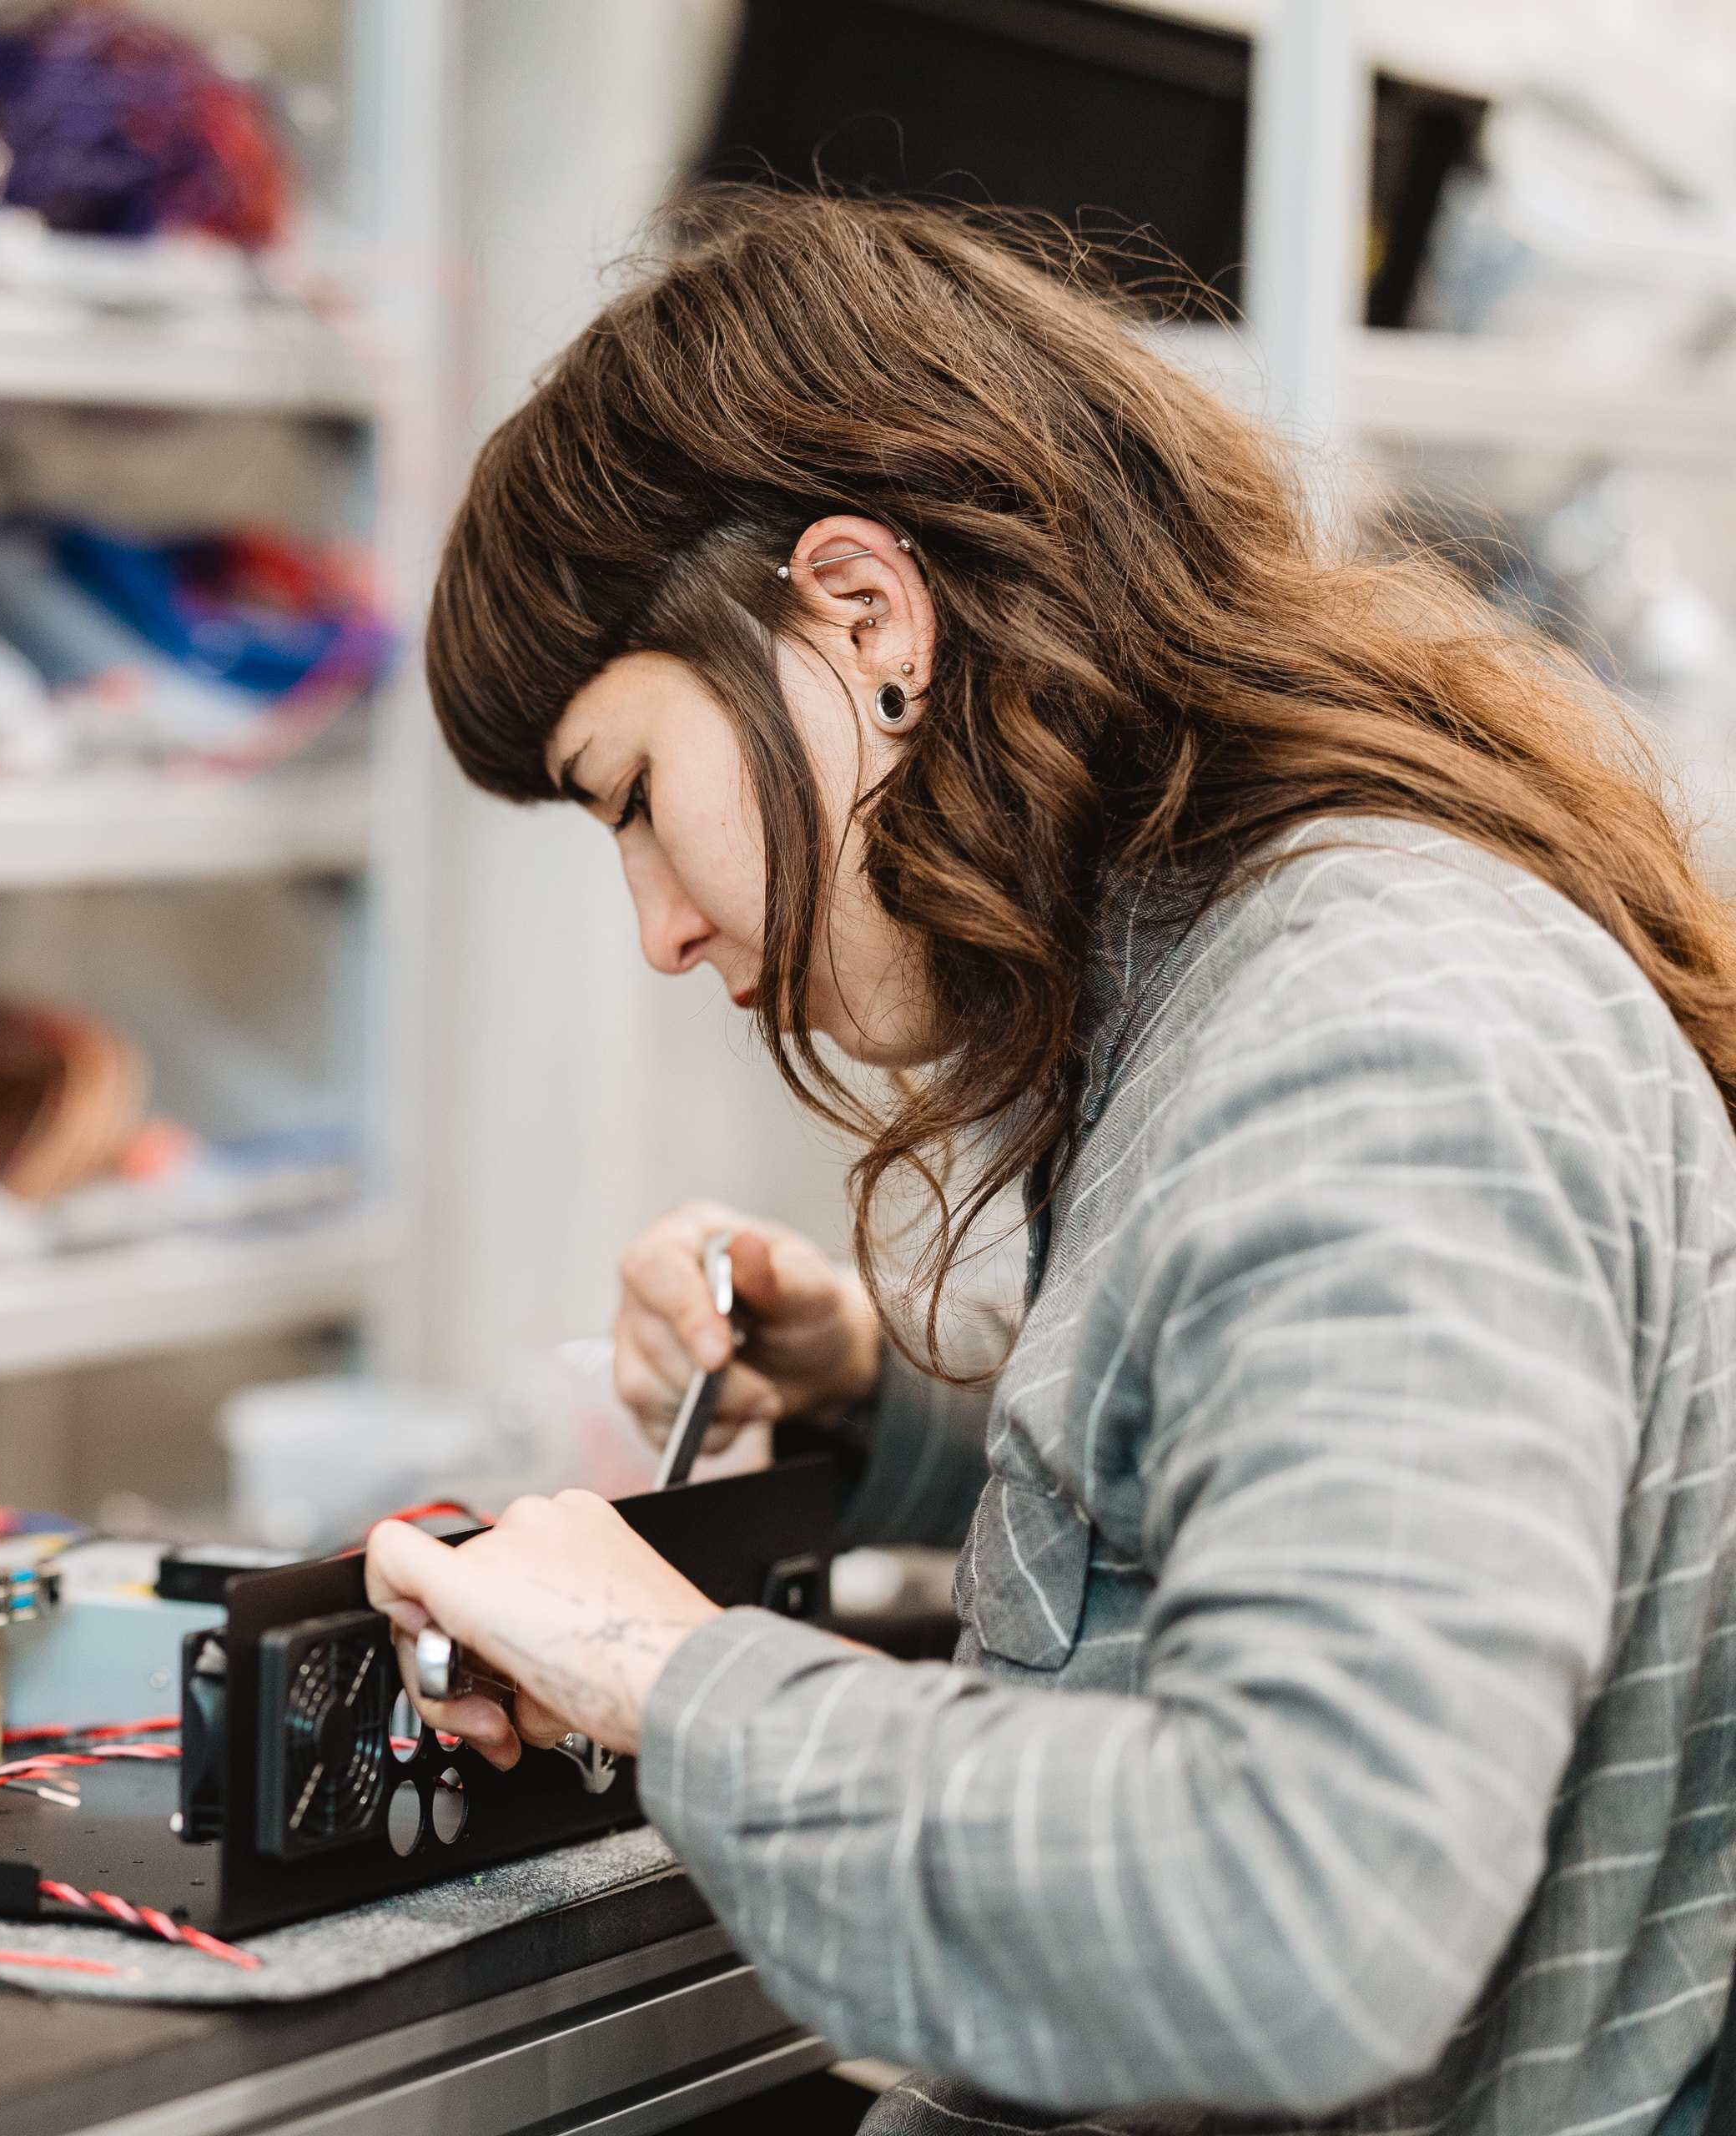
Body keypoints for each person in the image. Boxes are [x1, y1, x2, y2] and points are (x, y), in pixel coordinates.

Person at [365, 189, 1736, 2136]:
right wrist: (886, 1406)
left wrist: (660, 1666)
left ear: (865, 614)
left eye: (638, 802)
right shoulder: (1268, 968)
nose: (663, 928)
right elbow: (1258, 1446)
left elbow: (1305, 1915)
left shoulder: (1373, 1034)